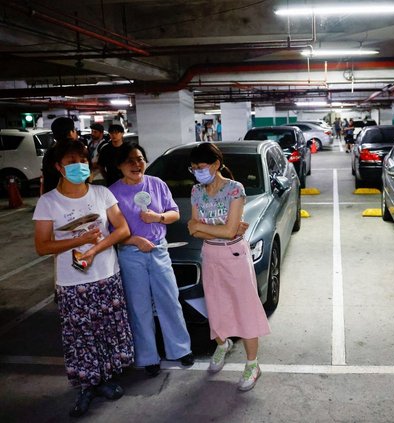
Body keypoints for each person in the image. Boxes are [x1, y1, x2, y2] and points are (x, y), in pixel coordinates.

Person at [33, 139, 134, 417]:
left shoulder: (101, 194)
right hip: (72, 282)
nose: (78, 166)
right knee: (81, 335)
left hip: (106, 274)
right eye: (70, 162)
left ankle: (105, 378)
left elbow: (122, 229)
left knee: (107, 329)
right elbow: (42, 245)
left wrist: (94, 247)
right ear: (58, 167)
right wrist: (77, 240)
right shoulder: (48, 202)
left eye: (82, 161)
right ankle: (87, 385)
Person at [187, 142, 270, 392]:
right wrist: (218, 229)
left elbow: (227, 230)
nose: (197, 172)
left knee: (244, 308)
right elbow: (193, 228)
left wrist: (207, 227)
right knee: (215, 305)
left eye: (200, 167)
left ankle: (252, 364)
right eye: (193, 169)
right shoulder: (196, 191)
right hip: (210, 255)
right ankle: (222, 344)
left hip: (234, 255)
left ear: (215, 165)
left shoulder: (235, 190)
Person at [109, 142, 194, 377]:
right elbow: (110, 233)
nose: (136, 165)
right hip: (131, 255)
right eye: (130, 161)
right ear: (119, 165)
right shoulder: (112, 193)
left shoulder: (157, 184)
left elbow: (174, 213)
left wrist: (158, 217)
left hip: (159, 250)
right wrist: (135, 241)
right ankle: (148, 356)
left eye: (140, 159)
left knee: (169, 300)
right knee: (139, 306)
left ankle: (180, 349)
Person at [41, 117, 78, 194]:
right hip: (70, 196)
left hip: (51, 196)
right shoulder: (75, 151)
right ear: (71, 132)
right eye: (74, 130)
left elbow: (45, 179)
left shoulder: (49, 153)